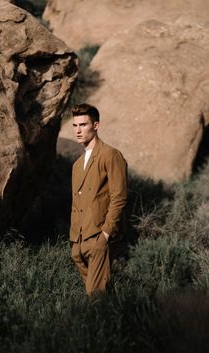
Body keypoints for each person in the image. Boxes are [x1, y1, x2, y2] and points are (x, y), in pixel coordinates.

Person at [70, 103, 128, 297]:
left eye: (83, 125)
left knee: (96, 296)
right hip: (78, 242)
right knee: (102, 295)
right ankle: (118, 321)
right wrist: (74, 244)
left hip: (98, 236)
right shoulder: (77, 165)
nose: (78, 130)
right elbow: (76, 204)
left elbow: (119, 197)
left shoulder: (110, 155)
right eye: (75, 125)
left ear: (96, 126)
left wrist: (105, 234)